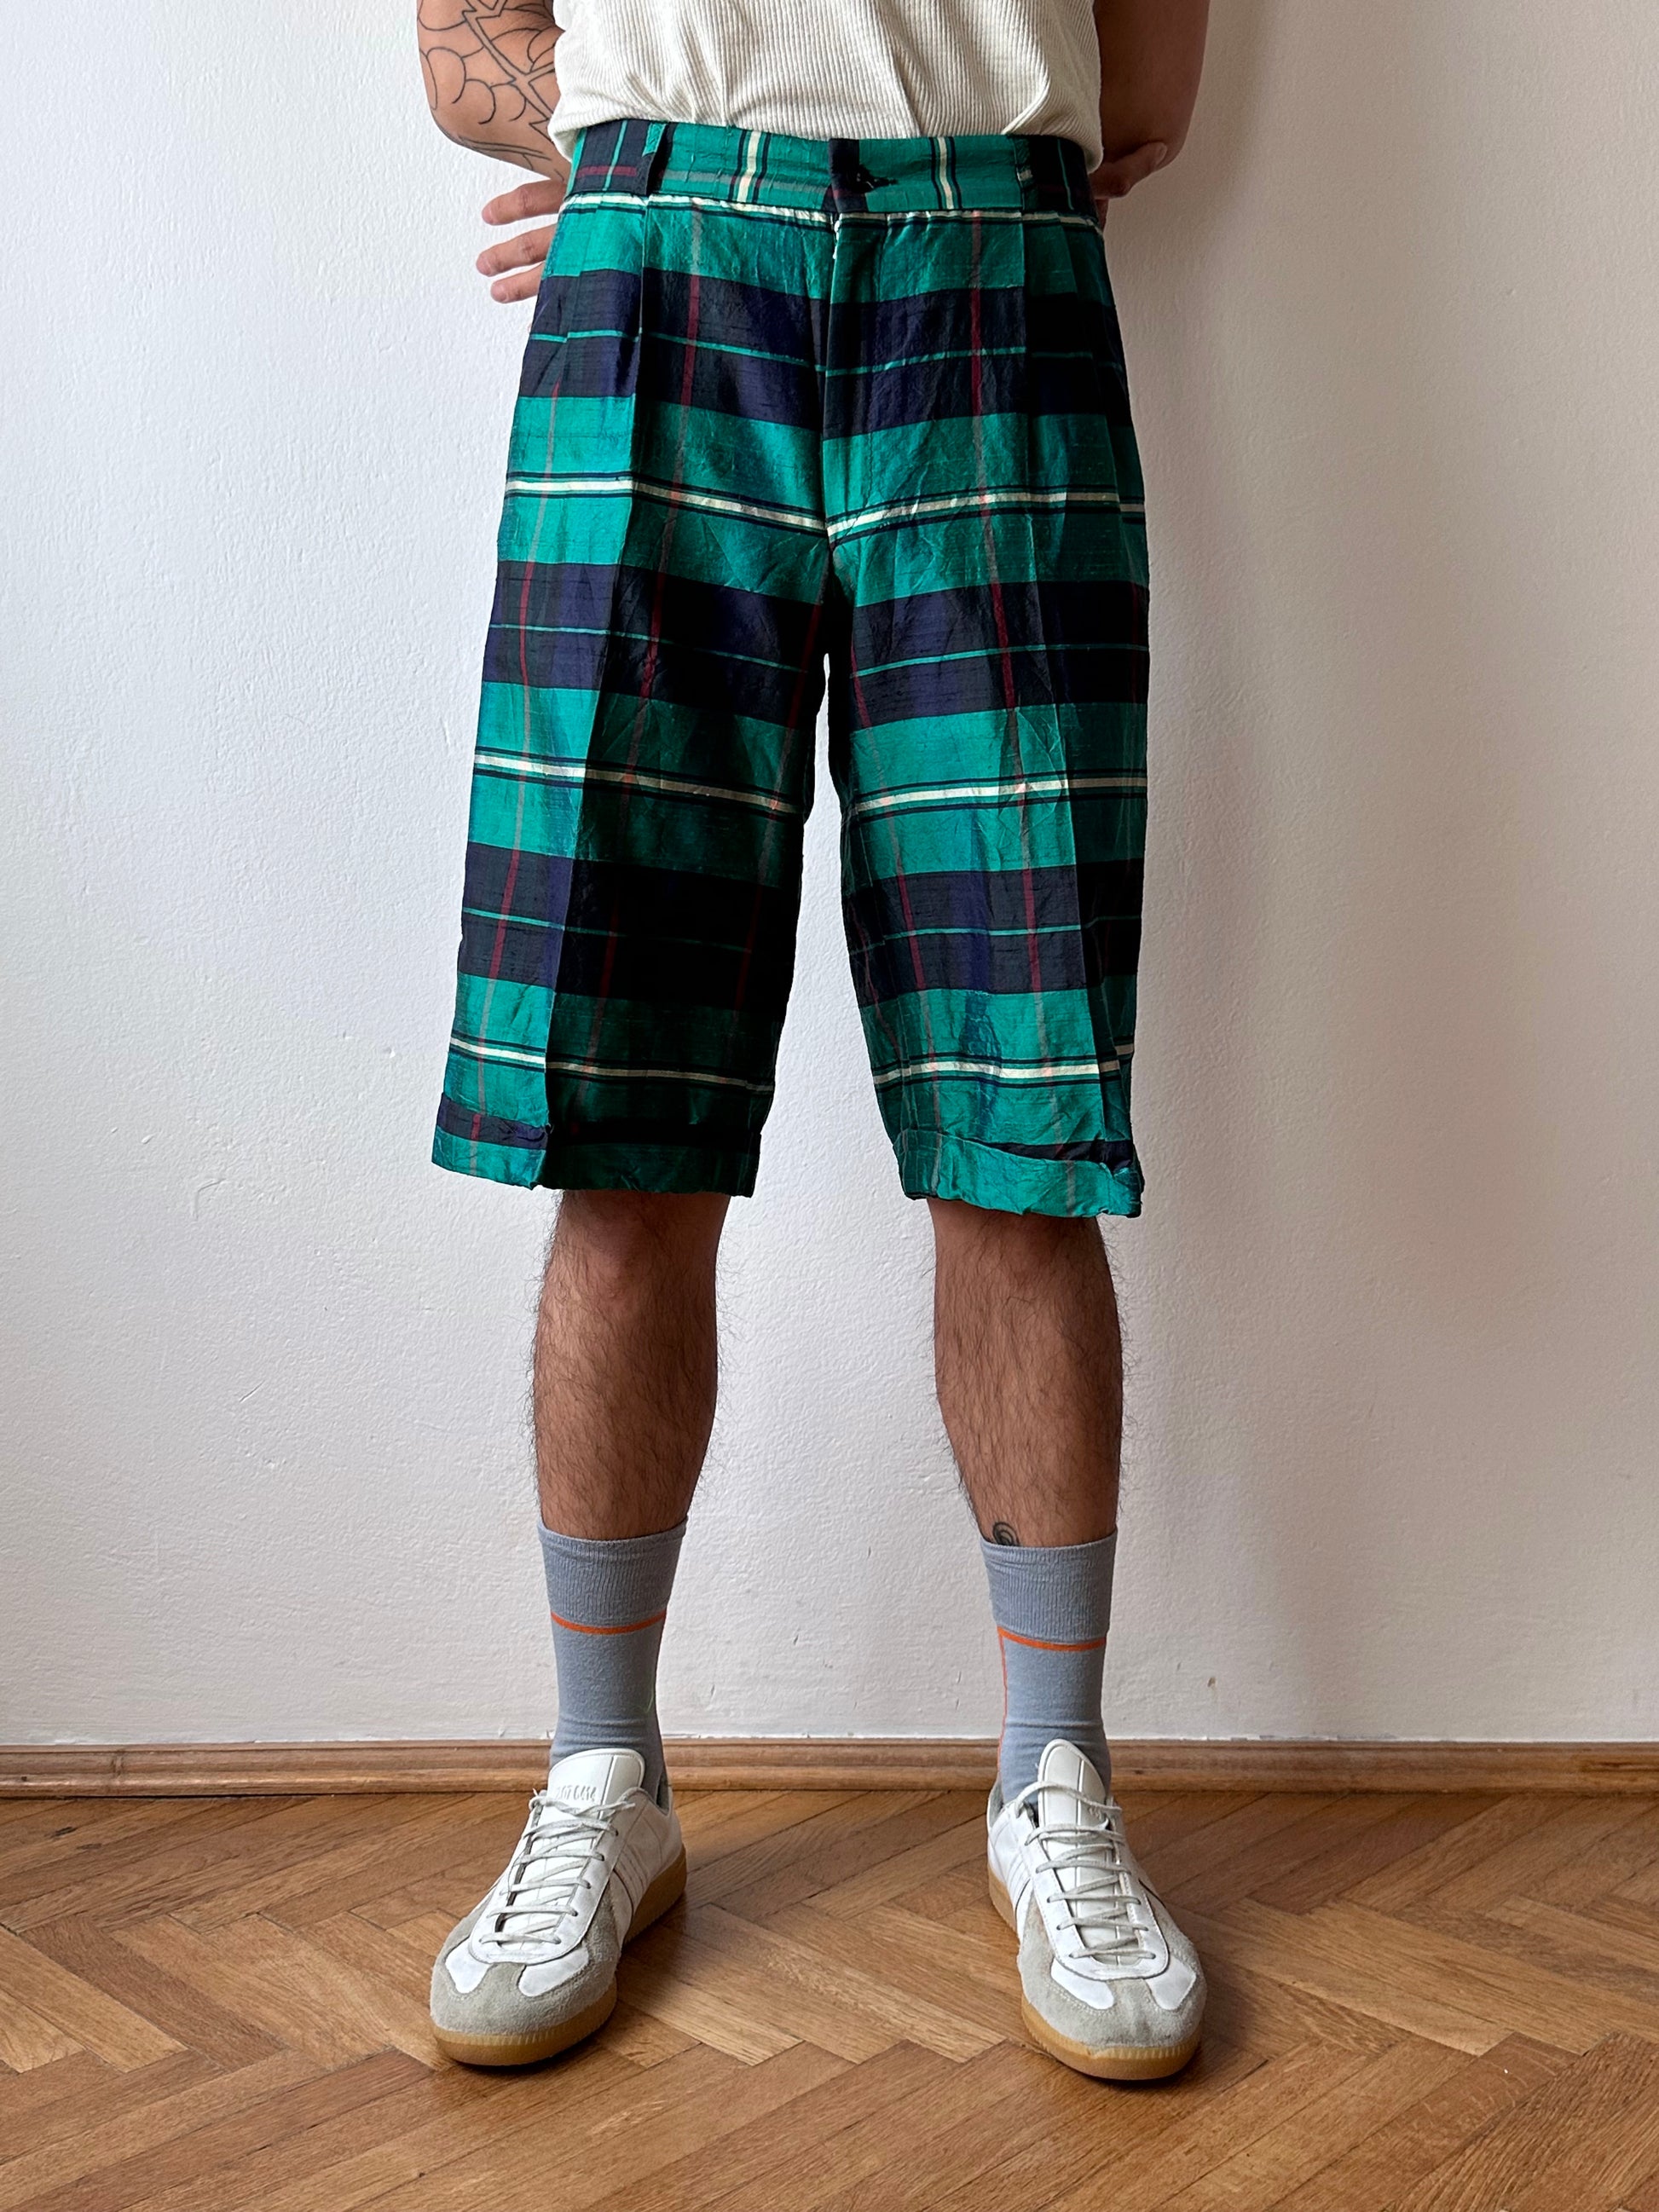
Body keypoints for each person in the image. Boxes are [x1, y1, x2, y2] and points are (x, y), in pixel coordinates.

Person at [415, 0, 1210, 2082]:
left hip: (991, 278)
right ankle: (603, 1781)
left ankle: (1055, 1783)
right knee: (619, 1109)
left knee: (1017, 1102)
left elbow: (1149, 91)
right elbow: (459, 43)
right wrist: (637, 163)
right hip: (659, 290)